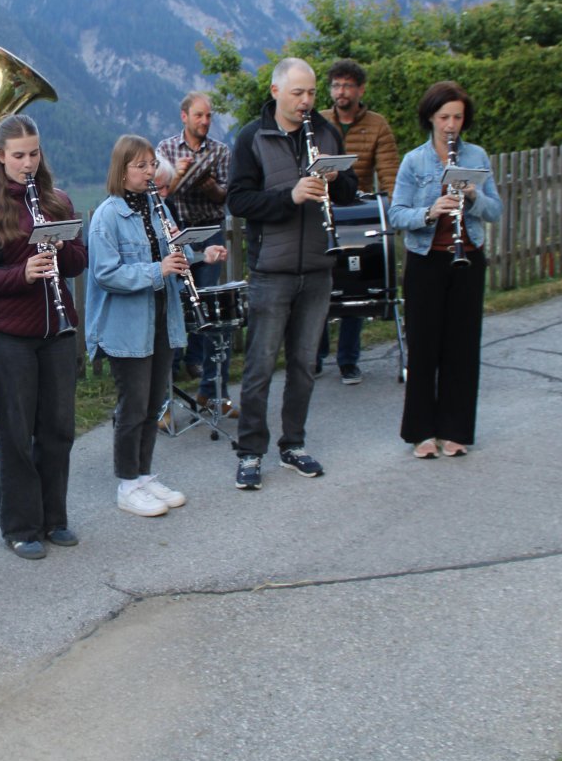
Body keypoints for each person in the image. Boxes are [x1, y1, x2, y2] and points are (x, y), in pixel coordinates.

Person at [225, 58, 359, 489]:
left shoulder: (325, 132)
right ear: (276, 91)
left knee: (304, 364)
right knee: (260, 367)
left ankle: (293, 444)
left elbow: (350, 191)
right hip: (272, 270)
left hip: (318, 266)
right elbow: (238, 201)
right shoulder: (252, 137)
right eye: (298, 92)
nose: (306, 101)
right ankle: (250, 451)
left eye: (312, 93)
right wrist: (291, 196)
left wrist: (336, 178)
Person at [0, 115, 88, 559]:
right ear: (0, 156)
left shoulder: (57, 200)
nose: (28, 163)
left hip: (57, 331)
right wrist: (23, 273)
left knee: (58, 428)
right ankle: (21, 527)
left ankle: (55, 518)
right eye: (18, 156)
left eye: (34, 154)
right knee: (15, 433)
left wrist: (62, 247)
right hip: (10, 335)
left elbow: (78, 263)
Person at [85, 136, 225, 518]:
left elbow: (176, 252)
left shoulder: (157, 206)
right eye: (141, 166)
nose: (150, 172)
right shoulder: (107, 217)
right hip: (126, 326)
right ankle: (127, 483)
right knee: (132, 406)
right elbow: (105, 274)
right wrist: (156, 270)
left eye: (151, 164)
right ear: (122, 171)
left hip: (163, 317)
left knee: (152, 404)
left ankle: (144, 475)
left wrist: (202, 254)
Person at [387, 81, 503, 459]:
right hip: (426, 261)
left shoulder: (476, 156)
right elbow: (396, 214)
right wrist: (430, 212)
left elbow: (495, 211)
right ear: (430, 119)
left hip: (467, 258)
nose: (451, 125)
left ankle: (455, 430)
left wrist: (472, 195)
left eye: (457, 117)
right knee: (424, 347)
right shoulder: (414, 161)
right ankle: (421, 432)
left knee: (462, 347)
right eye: (444, 118)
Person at [316, 60, 401, 384]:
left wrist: (392, 209)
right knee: (320, 285)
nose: (341, 92)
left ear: (360, 90)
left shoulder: (377, 125)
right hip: (320, 210)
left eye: (348, 86)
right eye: (336, 85)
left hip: (357, 210)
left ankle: (348, 359)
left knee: (355, 281)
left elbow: (389, 172)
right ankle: (315, 355)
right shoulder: (320, 122)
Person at [156, 92, 233, 414]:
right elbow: (160, 194)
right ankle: (172, 363)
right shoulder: (166, 149)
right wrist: (178, 173)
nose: (205, 121)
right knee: (176, 295)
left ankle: (197, 361)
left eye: (208, 116)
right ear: (184, 116)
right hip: (177, 228)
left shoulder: (220, 151)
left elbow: (225, 196)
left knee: (206, 296)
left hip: (209, 228)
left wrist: (209, 185)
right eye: (199, 115)